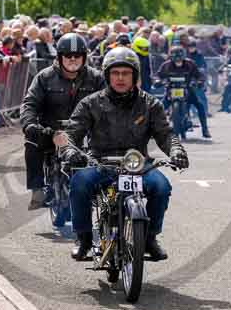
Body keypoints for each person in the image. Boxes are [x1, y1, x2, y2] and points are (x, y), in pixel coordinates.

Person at [63, 47, 190, 261]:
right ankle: (84, 238)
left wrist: (176, 150)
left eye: (126, 73)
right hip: (101, 164)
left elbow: (165, 134)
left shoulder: (150, 104)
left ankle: (150, 238)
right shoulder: (90, 103)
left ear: (135, 75)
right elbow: (72, 134)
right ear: (107, 75)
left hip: (138, 166)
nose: (120, 78)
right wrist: (69, 151)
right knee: (79, 184)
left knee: (161, 187)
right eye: (115, 73)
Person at [20, 33, 104, 212]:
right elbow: (30, 103)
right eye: (68, 56)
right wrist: (29, 123)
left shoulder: (96, 78)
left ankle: (100, 192)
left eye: (77, 56)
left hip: (82, 132)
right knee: (32, 142)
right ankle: (37, 189)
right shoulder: (45, 77)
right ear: (60, 57)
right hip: (51, 130)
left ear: (84, 57)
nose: (72, 59)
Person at [157, 46, 211, 139]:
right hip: (171, 90)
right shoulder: (166, 65)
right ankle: (154, 131)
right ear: (171, 58)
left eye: (180, 59)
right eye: (176, 59)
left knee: (200, 106)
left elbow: (198, 75)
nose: (178, 62)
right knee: (158, 109)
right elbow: (158, 75)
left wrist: (200, 81)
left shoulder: (190, 64)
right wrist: (158, 81)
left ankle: (205, 129)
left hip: (187, 90)